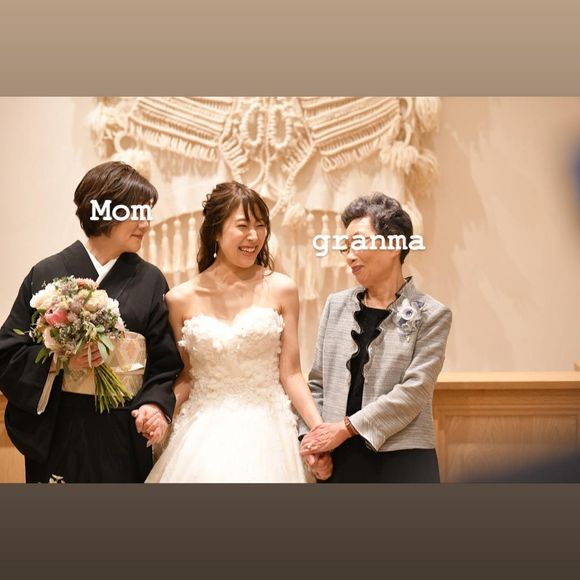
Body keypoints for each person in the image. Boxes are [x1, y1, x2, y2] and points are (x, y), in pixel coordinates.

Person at [0, 161, 183, 483]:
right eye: (136, 213)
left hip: (123, 430)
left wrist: (154, 405)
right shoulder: (47, 273)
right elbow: (9, 352)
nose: (146, 223)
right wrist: (58, 359)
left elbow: (165, 363)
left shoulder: (150, 280)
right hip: (61, 428)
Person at [146, 182, 331, 483]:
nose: (254, 236)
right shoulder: (179, 299)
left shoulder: (282, 289)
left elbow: (291, 374)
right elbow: (188, 376)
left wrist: (319, 431)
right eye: (243, 226)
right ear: (216, 232)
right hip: (201, 435)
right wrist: (161, 413)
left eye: (261, 226)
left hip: (269, 430)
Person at [299, 193, 452, 483]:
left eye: (357, 243)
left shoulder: (432, 313)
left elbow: (414, 392)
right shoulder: (335, 305)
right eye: (345, 247)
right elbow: (317, 384)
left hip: (402, 463)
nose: (349, 256)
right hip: (338, 461)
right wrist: (314, 446)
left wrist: (344, 429)